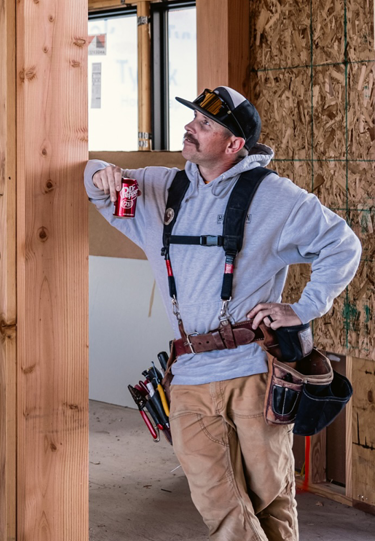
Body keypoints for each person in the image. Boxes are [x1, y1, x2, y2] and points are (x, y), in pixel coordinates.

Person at [85, 86, 361, 541]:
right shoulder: (163, 188)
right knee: (218, 501)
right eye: (193, 118)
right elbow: (93, 184)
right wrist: (103, 173)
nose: (190, 127)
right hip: (190, 377)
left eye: (206, 123)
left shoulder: (275, 198)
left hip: (252, 375)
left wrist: (303, 308)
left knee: (270, 500)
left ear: (234, 145)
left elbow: (342, 244)